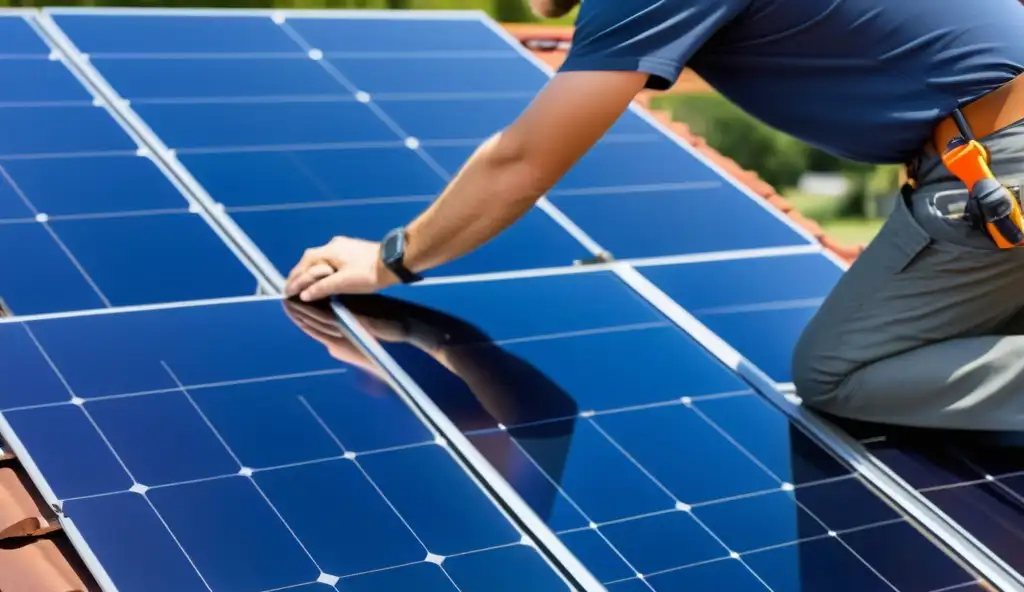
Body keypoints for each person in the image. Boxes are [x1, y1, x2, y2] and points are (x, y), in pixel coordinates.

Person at [285, 0, 1024, 432]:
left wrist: (391, 257)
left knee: (838, 370)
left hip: (997, 160)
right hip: (984, 147)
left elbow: (523, 161)